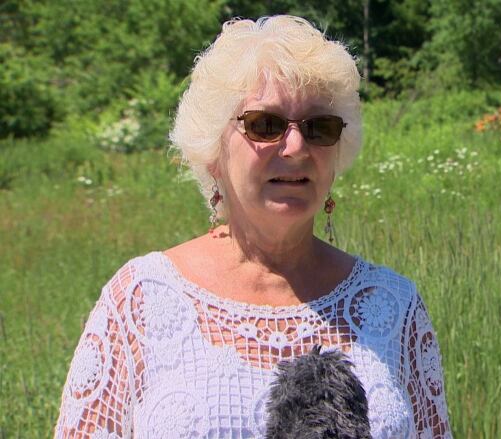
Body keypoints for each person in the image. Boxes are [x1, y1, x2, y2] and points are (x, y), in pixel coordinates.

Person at [54, 15, 451, 439]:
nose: (296, 147)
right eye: (265, 125)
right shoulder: (141, 301)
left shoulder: (393, 306)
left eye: (319, 128)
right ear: (213, 151)